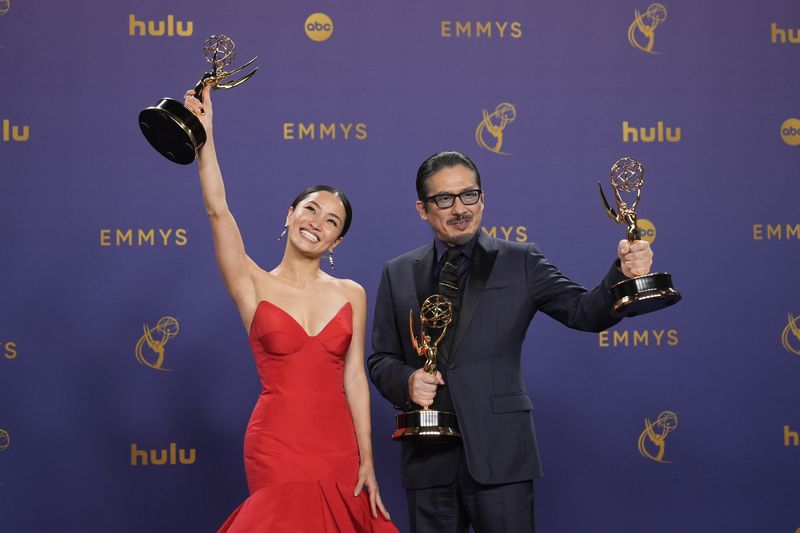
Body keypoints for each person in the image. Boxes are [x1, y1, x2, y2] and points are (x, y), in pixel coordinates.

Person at [368, 150, 654, 532]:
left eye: (469, 195)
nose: (460, 208)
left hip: (502, 457)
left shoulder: (521, 261)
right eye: (444, 199)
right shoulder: (397, 272)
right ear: (423, 208)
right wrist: (406, 381)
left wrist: (622, 273)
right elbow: (381, 358)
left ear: (482, 199)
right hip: (428, 463)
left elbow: (584, 311)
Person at [184, 87, 397, 532]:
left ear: (337, 242)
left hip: (338, 447)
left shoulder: (351, 292)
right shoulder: (252, 284)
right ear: (289, 215)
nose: (316, 223)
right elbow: (217, 210)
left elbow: (355, 378)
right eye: (310, 209)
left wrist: (367, 461)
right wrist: (205, 141)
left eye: (331, 221)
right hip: (275, 443)